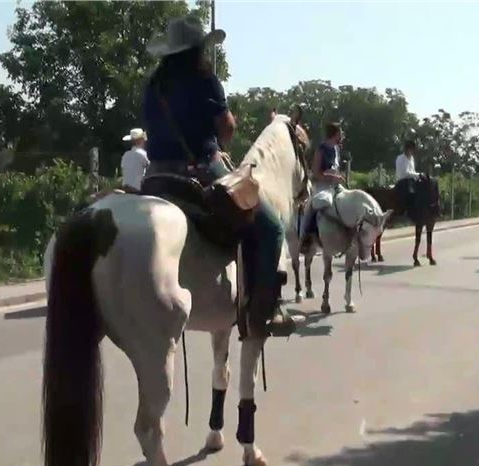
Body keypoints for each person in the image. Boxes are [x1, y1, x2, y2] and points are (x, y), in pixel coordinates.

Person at [141, 15, 288, 335]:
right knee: (272, 227)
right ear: (196, 50)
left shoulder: (154, 85)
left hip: (155, 175)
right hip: (202, 168)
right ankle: (263, 311)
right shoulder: (204, 79)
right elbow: (227, 129)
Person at [299, 122, 345, 252]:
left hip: (335, 185)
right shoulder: (321, 149)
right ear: (335, 134)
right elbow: (315, 172)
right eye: (340, 133)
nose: (341, 135)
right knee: (315, 205)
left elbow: (334, 169)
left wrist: (338, 177)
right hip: (322, 185)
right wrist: (330, 177)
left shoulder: (336, 149)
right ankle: (306, 236)